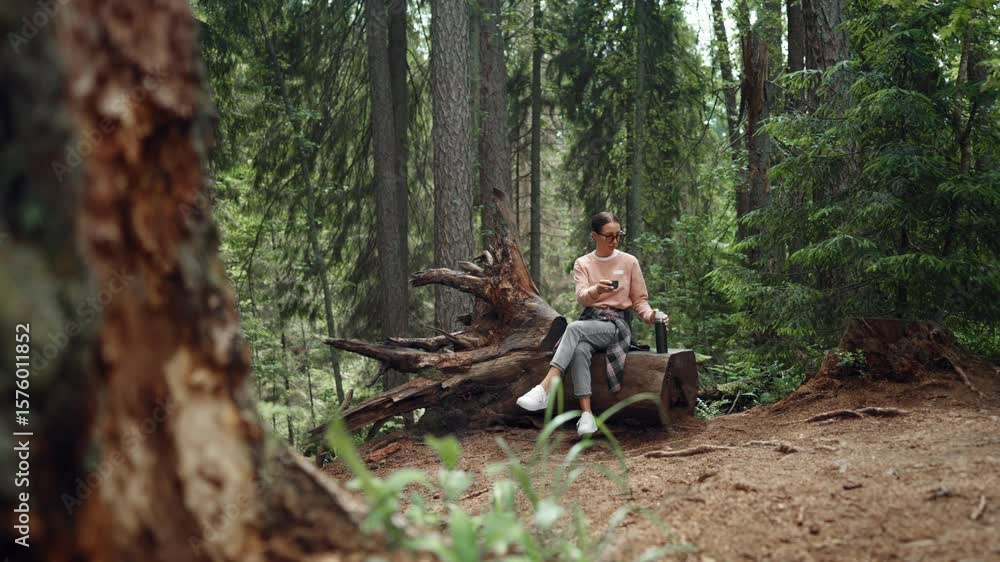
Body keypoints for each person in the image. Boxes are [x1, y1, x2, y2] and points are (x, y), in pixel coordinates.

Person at [516, 211, 667, 436]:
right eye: (609, 236)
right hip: (591, 322)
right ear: (595, 236)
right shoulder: (583, 263)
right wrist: (596, 290)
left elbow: (639, 301)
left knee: (573, 328)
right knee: (579, 349)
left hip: (616, 326)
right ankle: (587, 416)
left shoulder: (629, 262)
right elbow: (582, 298)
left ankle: (545, 388)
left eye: (619, 235)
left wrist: (651, 315)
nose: (615, 241)